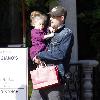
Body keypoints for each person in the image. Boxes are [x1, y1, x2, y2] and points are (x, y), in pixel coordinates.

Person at [30, 5, 74, 100]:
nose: (51, 18)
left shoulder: (67, 33)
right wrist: (35, 58)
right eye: (51, 16)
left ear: (62, 18)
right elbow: (36, 46)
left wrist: (40, 55)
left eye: (54, 16)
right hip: (41, 77)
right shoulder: (45, 32)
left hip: (55, 79)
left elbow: (60, 54)